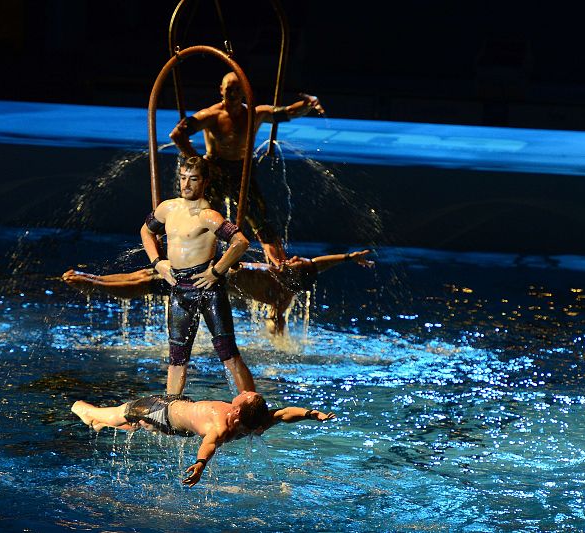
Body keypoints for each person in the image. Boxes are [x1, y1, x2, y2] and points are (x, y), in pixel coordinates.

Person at [170, 72, 325, 266]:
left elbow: (289, 112)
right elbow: (177, 134)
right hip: (215, 172)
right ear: (221, 90)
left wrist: (309, 103)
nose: (233, 94)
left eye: (237, 90)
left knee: (260, 221)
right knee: (204, 219)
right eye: (229, 89)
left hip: (242, 172)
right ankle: (194, 261)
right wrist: (201, 162)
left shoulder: (255, 114)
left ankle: (280, 265)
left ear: (244, 92)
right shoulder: (210, 115)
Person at [140, 155, 253, 395]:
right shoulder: (167, 208)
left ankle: (252, 405)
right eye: (183, 178)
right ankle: (171, 407)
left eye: (193, 179)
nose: (186, 185)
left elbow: (240, 242)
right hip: (178, 286)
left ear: (204, 182)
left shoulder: (207, 215)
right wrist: (157, 262)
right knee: (177, 355)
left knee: (227, 352)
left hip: (207, 288)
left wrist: (215, 271)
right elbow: (146, 231)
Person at [61, 251, 374, 334]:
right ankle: (95, 279)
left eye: (296, 262)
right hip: (211, 270)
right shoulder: (286, 272)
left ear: (295, 275)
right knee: (147, 274)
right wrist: (348, 258)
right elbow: (318, 265)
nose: (290, 258)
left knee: (147, 285)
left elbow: (277, 322)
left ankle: (93, 286)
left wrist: (275, 332)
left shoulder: (284, 293)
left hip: (207, 283)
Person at [71, 391, 335, 487]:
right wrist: (313, 414)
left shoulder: (220, 426)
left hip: (162, 412)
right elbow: (286, 413)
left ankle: (88, 414)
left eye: (241, 396)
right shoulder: (256, 422)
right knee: (133, 423)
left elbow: (208, 444)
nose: (242, 391)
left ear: (235, 411)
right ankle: (112, 425)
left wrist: (199, 465)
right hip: (178, 412)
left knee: (121, 413)